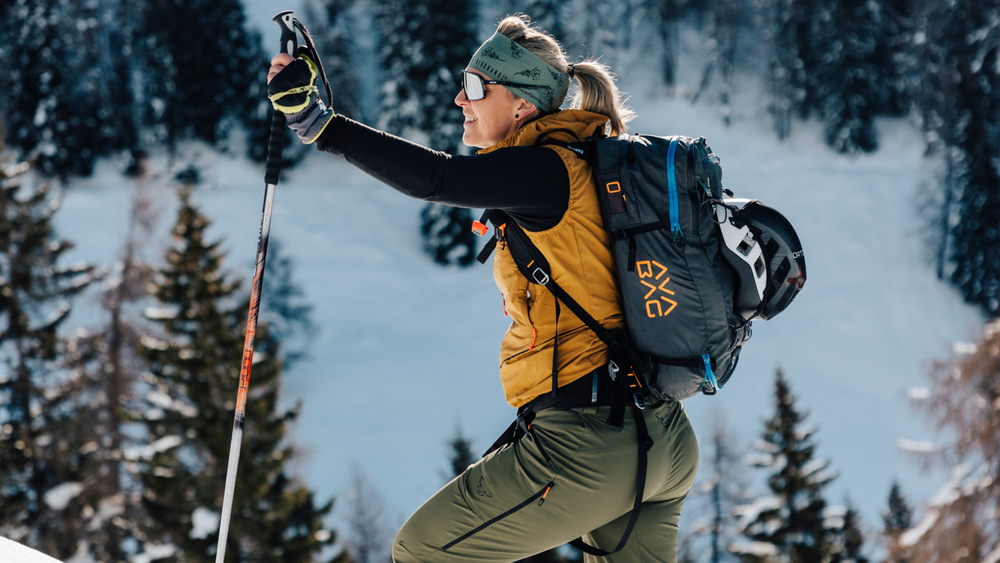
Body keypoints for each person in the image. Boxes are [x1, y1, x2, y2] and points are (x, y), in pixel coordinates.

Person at [267, 15, 699, 563]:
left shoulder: (545, 171)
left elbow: (439, 178)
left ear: (522, 104)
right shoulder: (592, 165)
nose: (459, 99)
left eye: (475, 87)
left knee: (422, 551)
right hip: (664, 440)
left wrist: (319, 124)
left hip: (592, 446)